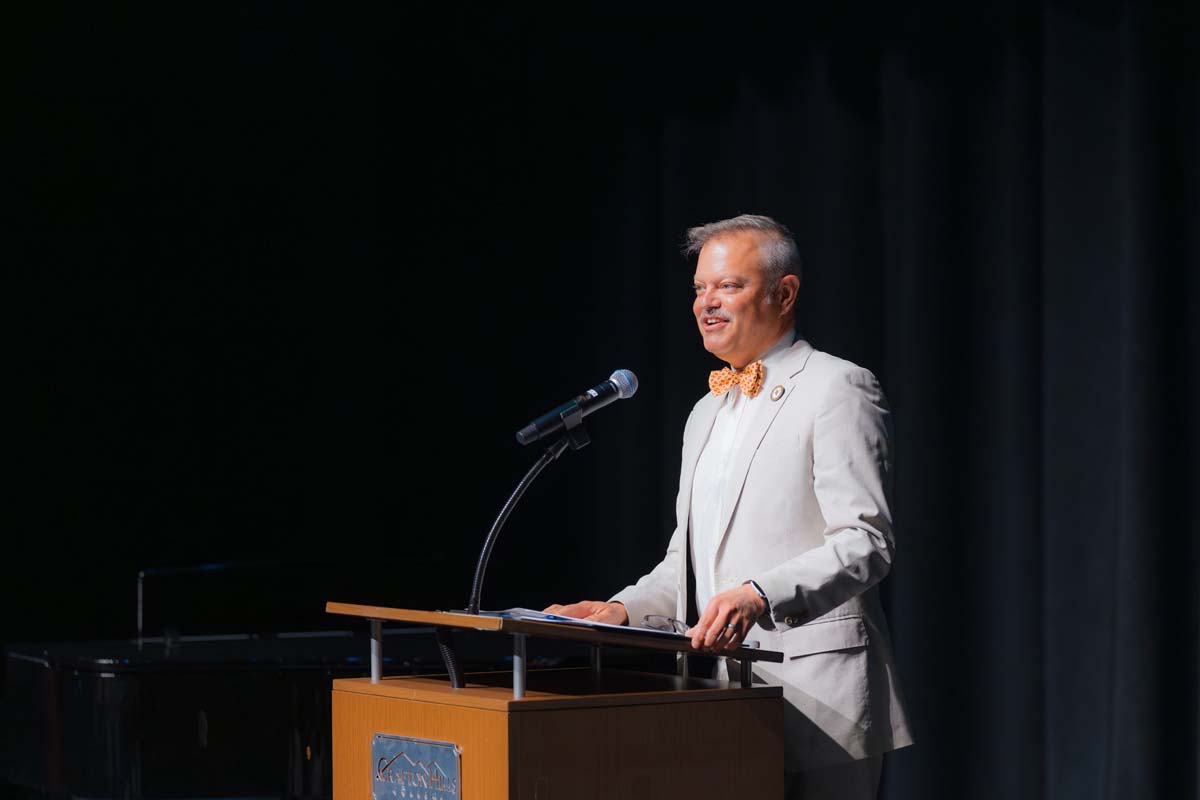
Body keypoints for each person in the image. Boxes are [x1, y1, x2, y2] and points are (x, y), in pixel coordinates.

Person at [545, 214, 913, 799]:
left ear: (783, 293)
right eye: (698, 289)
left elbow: (865, 541)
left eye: (728, 286)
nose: (706, 303)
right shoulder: (704, 414)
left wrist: (759, 593)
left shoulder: (837, 388)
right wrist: (621, 609)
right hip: (719, 701)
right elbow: (686, 561)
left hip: (820, 695)